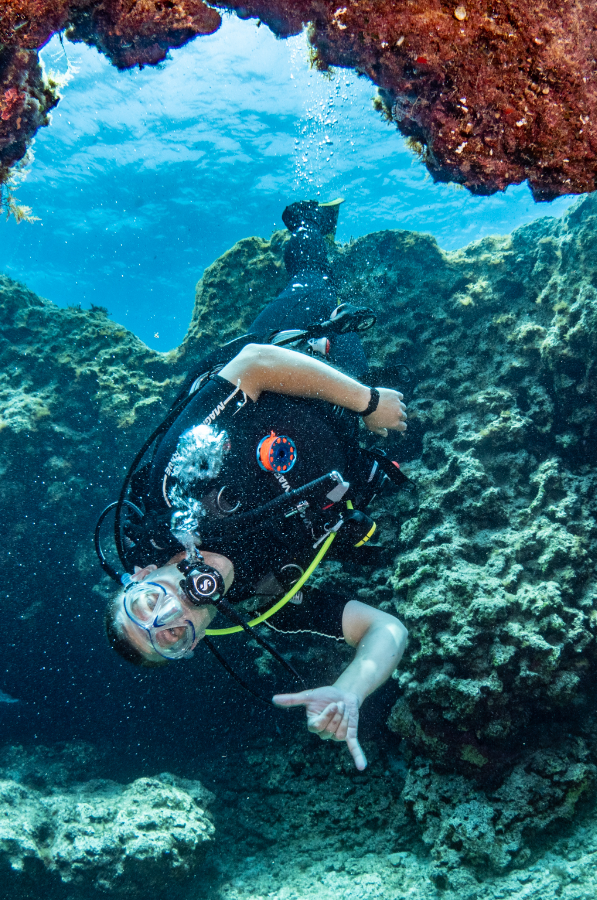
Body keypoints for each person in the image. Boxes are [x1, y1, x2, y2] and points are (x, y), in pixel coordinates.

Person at [103, 200, 410, 771]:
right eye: (168, 638)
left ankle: (306, 224)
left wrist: (367, 402)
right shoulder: (265, 601)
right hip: (345, 422)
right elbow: (385, 631)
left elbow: (253, 365)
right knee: (363, 334)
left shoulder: (176, 491)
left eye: (147, 603)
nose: (170, 614)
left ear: (143, 575)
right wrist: (350, 691)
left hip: (295, 351)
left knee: (313, 284)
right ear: (194, 644)